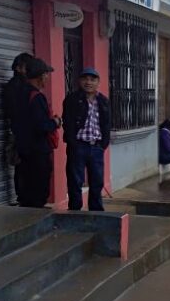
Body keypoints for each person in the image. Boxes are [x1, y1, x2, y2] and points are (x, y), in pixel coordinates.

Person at [62, 67, 111, 211]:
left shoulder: (103, 101)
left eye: (92, 79)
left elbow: (107, 123)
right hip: (78, 146)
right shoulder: (72, 99)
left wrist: (103, 144)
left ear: (98, 82)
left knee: (97, 182)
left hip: (96, 147)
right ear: (79, 81)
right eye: (85, 79)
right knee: (75, 182)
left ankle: (96, 213)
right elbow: (67, 122)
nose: (88, 82)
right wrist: (72, 142)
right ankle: (75, 212)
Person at [14, 58, 61, 208]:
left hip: (23, 149)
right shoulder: (37, 97)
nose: (47, 78)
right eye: (46, 74)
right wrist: (55, 122)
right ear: (41, 76)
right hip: (38, 151)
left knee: (26, 192)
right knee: (38, 192)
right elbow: (41, 125)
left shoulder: (18, 93)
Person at [3, 52, 33, 204]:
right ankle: (23, 199)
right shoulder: (15, 87)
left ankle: (25, 198)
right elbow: (14, 111)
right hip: (20, 133)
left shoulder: (24, 85)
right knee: (21, 167)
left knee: (25, 167)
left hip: (23, 132)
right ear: (19, 68)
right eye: (28, 67)